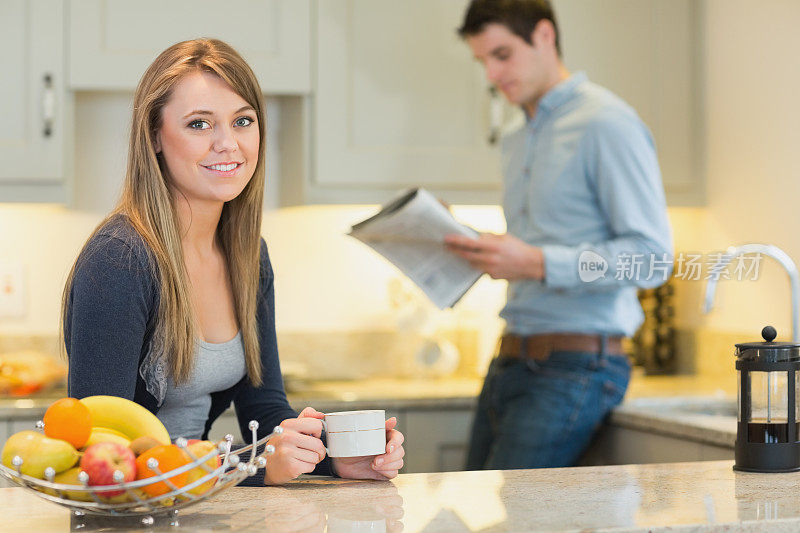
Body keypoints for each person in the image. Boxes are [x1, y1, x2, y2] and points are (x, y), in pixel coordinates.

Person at [61, 38, 404, 485]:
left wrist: (332, 457)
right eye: (199, 124)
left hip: (202, 507)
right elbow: (100, 452)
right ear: (154, 138)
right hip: (131, 515)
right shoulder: (121, 260)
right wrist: (254, 467)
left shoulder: (248, 255)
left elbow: (264, 409)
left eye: (243, 120)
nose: (228, 143)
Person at [445, 0, 673, 469]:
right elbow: (541, 245)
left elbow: (651, 259)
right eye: (482, 60)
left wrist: (535, 262)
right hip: (510, 357)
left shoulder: (607, 124)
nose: (491, 73)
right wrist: (484, 247)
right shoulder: (517, 135)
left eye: (502, 55)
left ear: (545, 36)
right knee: (467, 514)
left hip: (578, 367)